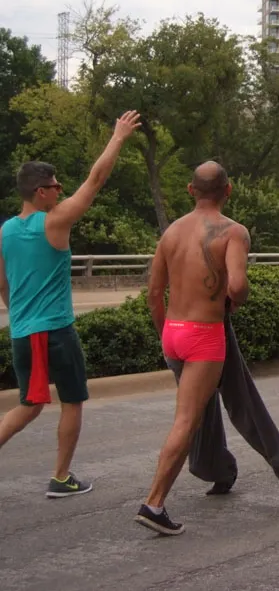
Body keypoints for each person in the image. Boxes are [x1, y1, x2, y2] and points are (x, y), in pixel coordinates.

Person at [0, 110, 142, 497]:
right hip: (56, 331)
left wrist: (21, 316)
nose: (61, 190)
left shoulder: (5, 231)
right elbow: (95, 180)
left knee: (30, 405)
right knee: (72, 400)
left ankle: (62, 476)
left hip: (23, 333)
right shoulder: (55, 221)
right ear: (40, 192)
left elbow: (3, 284)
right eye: (55, 185)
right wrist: (118, 137)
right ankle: (61, 477)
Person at [136, 161, 252, 536]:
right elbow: (237, 286)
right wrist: (237, 299)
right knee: (187, 420)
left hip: (173, 331)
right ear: (228, 190)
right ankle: (154, 503)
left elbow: (154, 293)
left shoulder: (171, 232)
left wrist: (164, 334)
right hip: (204, 334)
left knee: (198, 414)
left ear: (191, 190)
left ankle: (216, 468)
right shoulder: (233, 232)